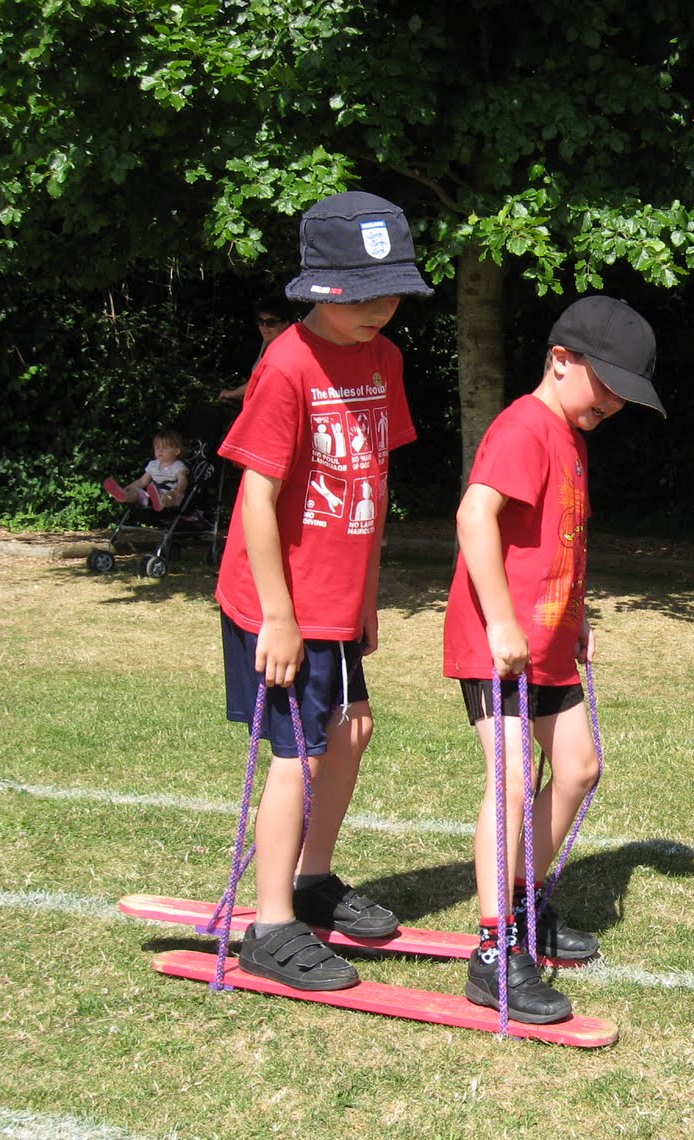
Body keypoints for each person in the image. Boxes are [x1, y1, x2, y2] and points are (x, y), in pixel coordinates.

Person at [215, 191, 432, 990]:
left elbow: (374, 479)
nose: (381, 308)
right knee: (297, 756)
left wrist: (366, 592)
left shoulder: (384, 359)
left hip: (338, 598)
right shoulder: (286, 367)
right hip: (279, 603)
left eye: (392, 291)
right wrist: (279, 615)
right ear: (320, 288)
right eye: (363, 294)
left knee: (352, 733)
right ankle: (271, 926)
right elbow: (257, 499)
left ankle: (312, 881)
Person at [443, 295, 664, 1022]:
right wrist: (503, 621)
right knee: (508, 779)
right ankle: (492, 949)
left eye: (624, 397)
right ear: (560, 360)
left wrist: (578, 617)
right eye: (606, 388)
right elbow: (476, 514)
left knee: (578, 769)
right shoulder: (524, 427)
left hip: (547, 645)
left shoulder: (569, 436)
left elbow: (557, 543)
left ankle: (525, 901)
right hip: (498, 643)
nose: (613, 405)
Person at [217, 297, 294, 404]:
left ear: (285, 323)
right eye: (260, 321)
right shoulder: (268, 341)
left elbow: (259, 382)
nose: (264, 327)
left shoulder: (285, 350)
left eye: (271, 323)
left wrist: (231, 393)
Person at [103, 429, 191, 512]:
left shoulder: (178, 465)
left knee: (169, 496)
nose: (160, 450)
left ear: (176, 451)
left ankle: (161, 502)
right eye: (157, 448)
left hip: (172, 496)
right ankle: (123, 495)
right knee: (137, 493)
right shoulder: (153, 465)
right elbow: (142, 482)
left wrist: (180, 487)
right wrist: (129, 488)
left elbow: (182, 479)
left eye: (164, 448)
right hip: (150, 496)